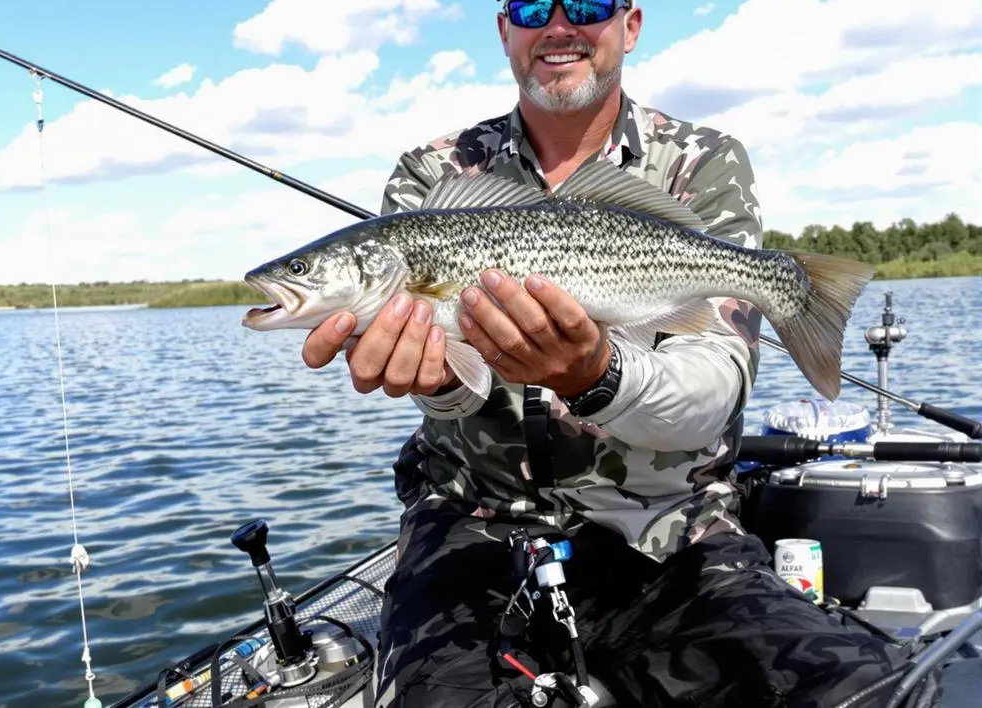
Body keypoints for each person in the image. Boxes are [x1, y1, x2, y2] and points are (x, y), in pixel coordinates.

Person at [301, 1, 926, 707]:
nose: (560, 25)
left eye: (589, 3)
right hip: (473, 525)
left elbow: (711, 392)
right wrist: (438, 379)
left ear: (629, 25)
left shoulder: (702, 160)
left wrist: (597, 375)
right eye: (533, 6)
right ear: (505, 30)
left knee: (853, 690)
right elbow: (449, 388)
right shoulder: (432, 173)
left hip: (669, 532)